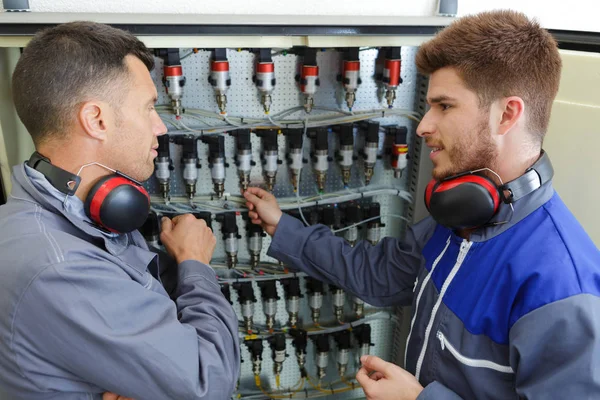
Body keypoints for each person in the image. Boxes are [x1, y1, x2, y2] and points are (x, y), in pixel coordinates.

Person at [243, 10, 600, 400]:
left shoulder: (561, 286)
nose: (422, 126)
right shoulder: (456, 221)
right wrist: (283, 227)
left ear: (507, 114)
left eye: (444, 106)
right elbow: (378, 273)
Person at [0, 22, 240, 399]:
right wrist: (196, 265)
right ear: (96, 120)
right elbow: (208, 383)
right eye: (148, 108)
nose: (160, 126)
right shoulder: (61, 268)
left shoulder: (74, 214)